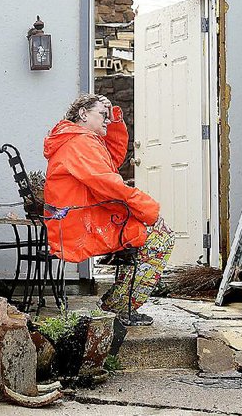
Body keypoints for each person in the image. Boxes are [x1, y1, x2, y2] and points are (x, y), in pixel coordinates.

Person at [43, 93, 175, 325]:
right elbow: (109, 184)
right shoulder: (80, 142)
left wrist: (113, 121)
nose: (107, 120)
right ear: (83, 114)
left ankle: (117, 304)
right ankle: (119, 307)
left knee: (144, 232)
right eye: (103, 115)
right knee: (160, 238)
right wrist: (148, 209)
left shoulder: (75, 139)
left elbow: (111, 159)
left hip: (77, 219)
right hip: (80, 225)